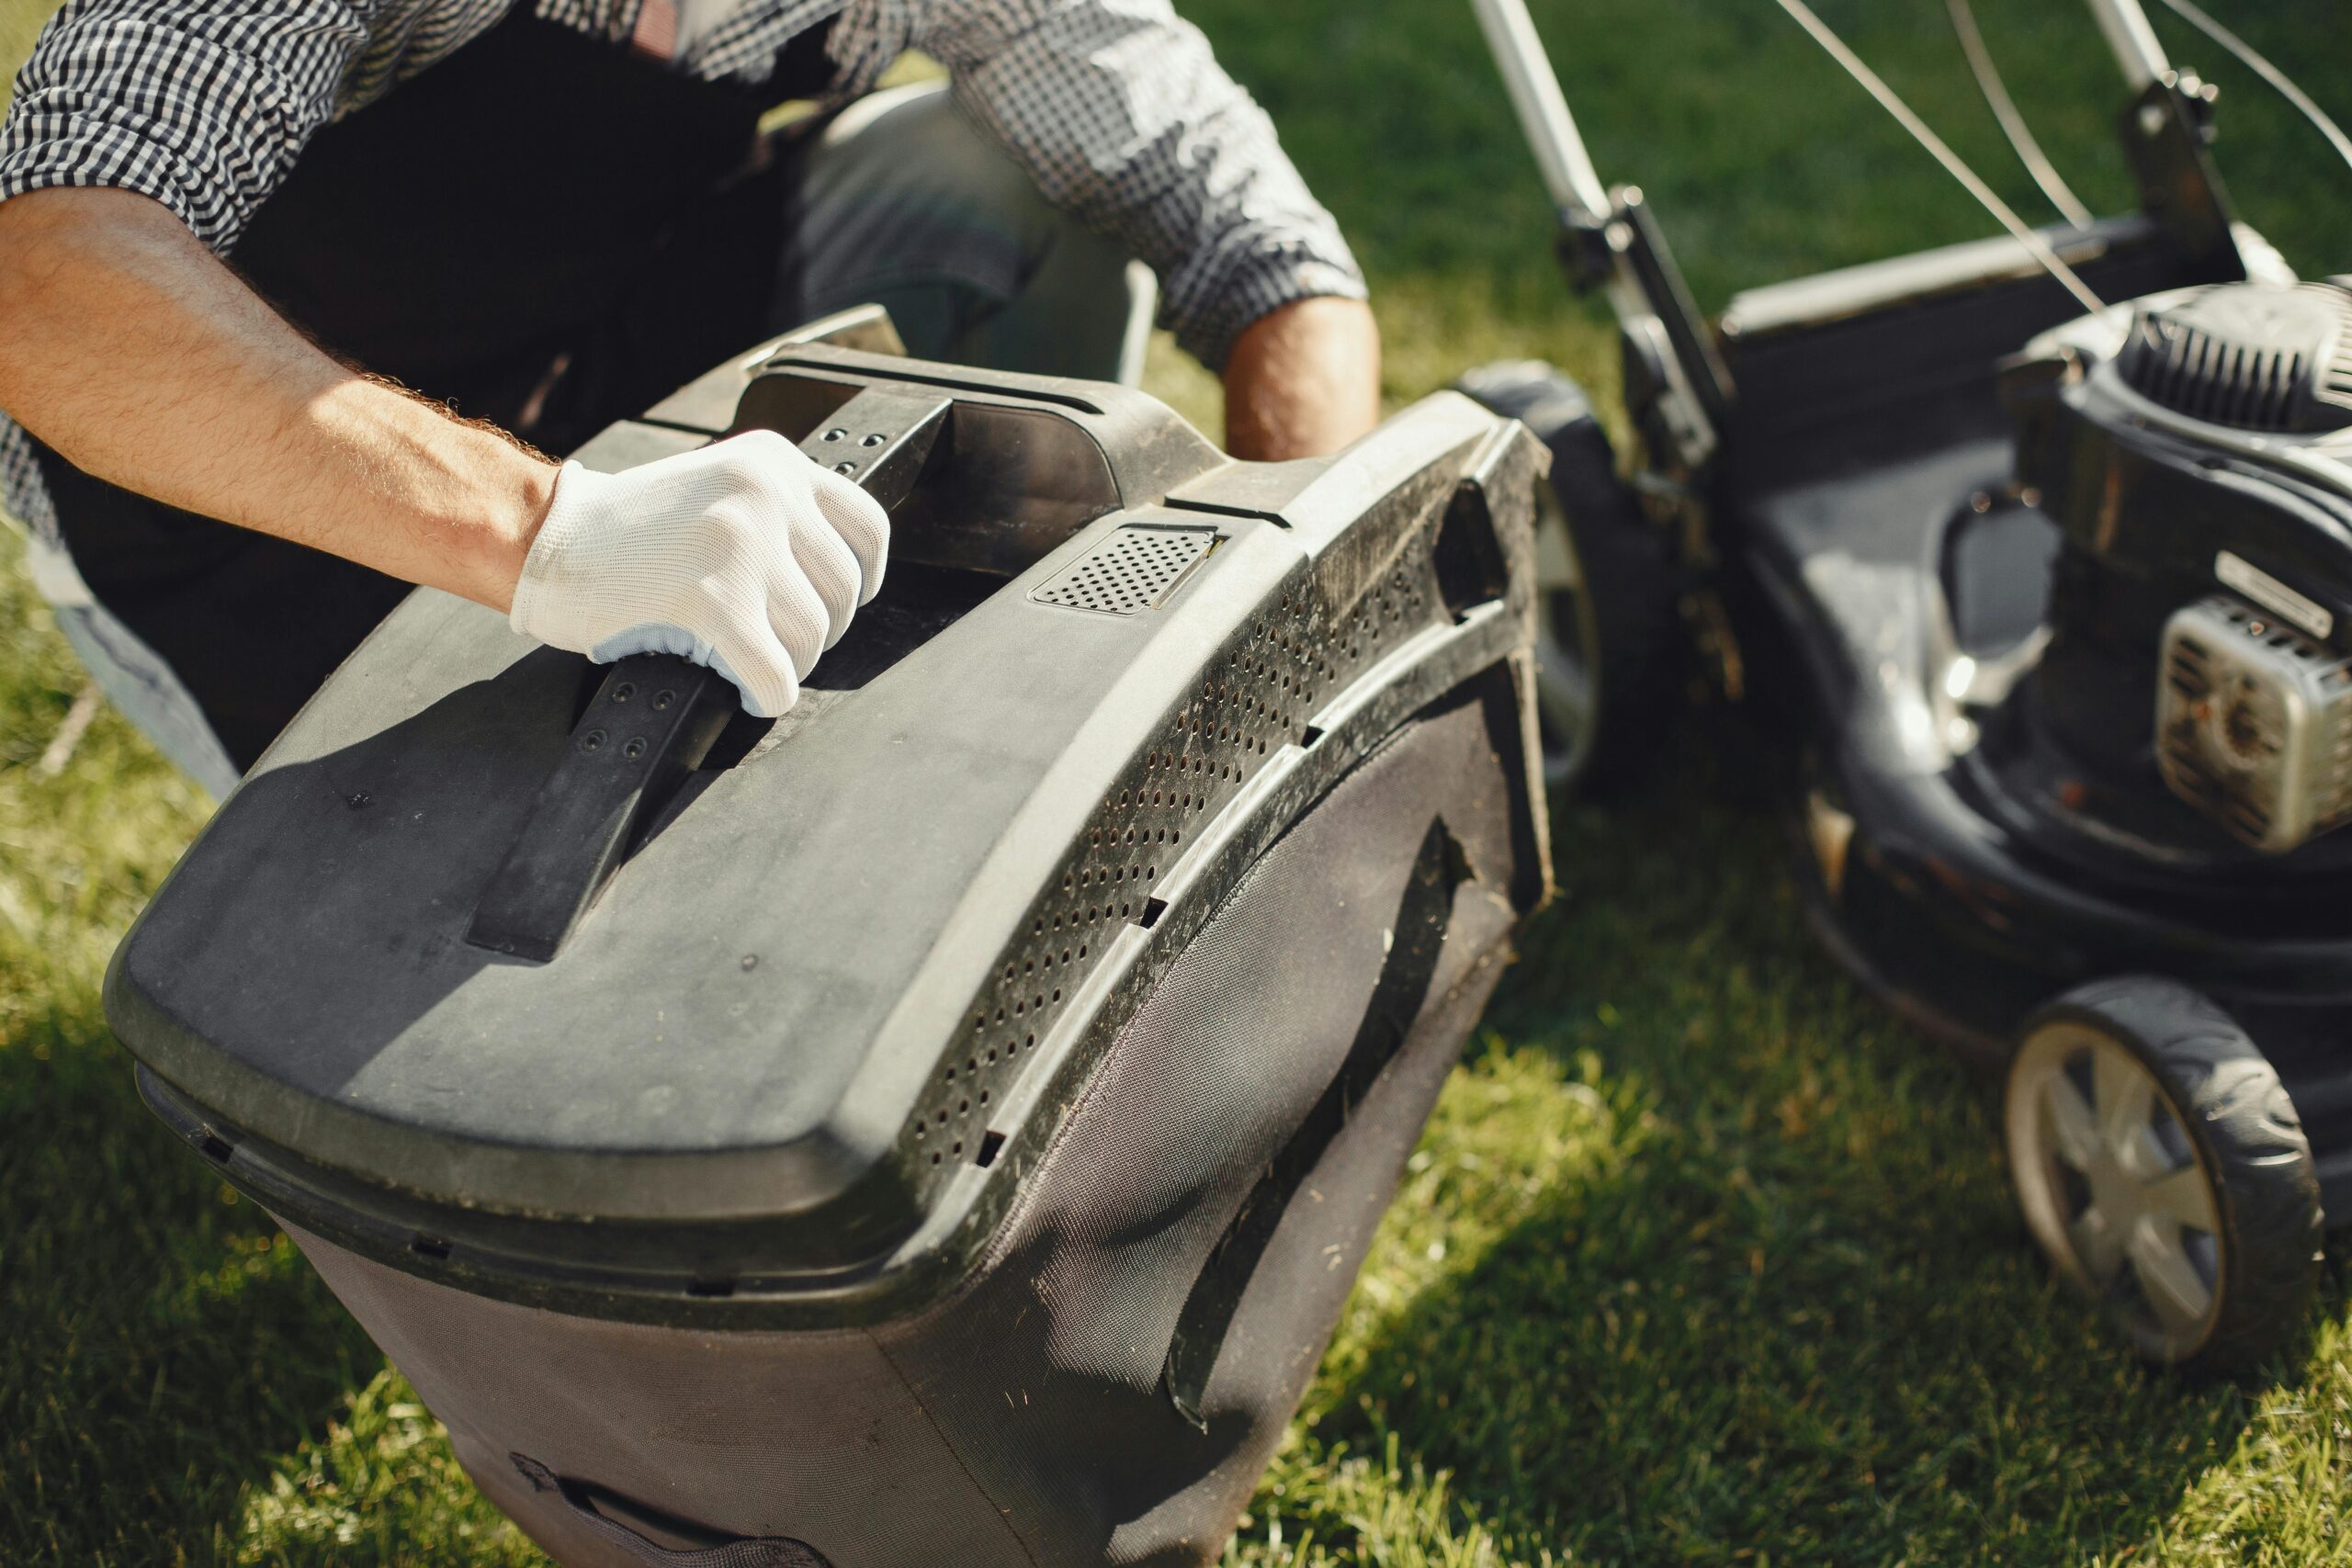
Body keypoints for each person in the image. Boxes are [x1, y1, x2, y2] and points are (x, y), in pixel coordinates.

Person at [0, 0, 1380, 794]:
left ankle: (953, 732)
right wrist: (555, 536)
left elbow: (1255, 241)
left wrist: (1290, 628)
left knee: (993, 175)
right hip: (225, 521)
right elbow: (45, 285)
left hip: (579, 366)